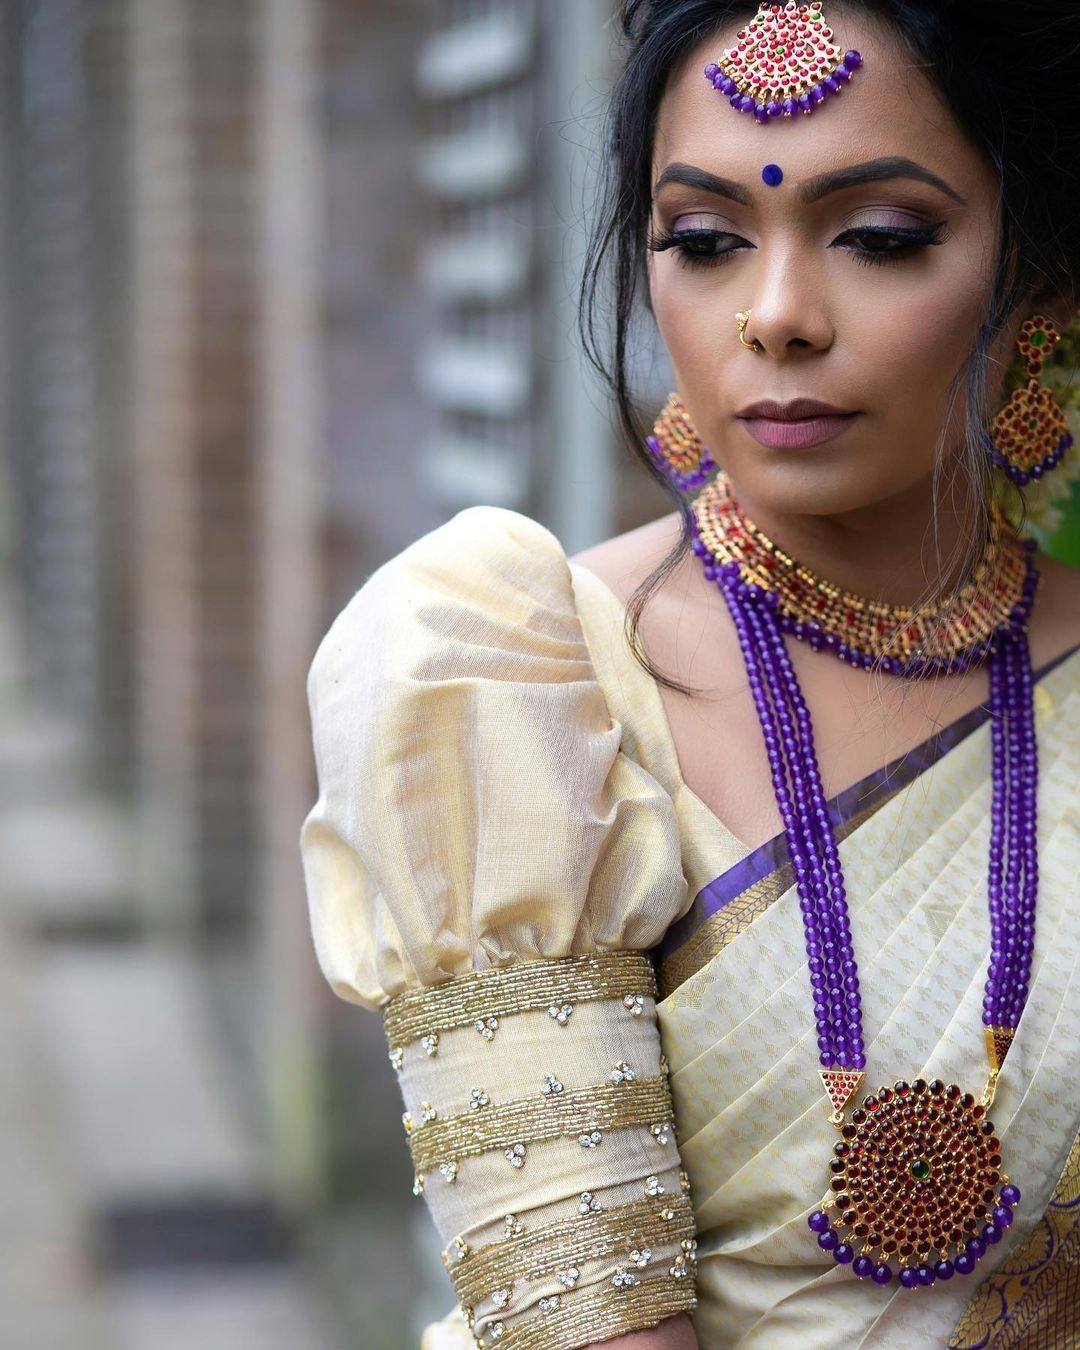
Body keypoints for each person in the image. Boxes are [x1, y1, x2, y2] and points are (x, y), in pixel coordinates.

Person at [299, 2, 1080, 1346]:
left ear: (1048, 289)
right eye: (705, 240)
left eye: (882, 238)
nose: (774, 316)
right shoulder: (513, 676)